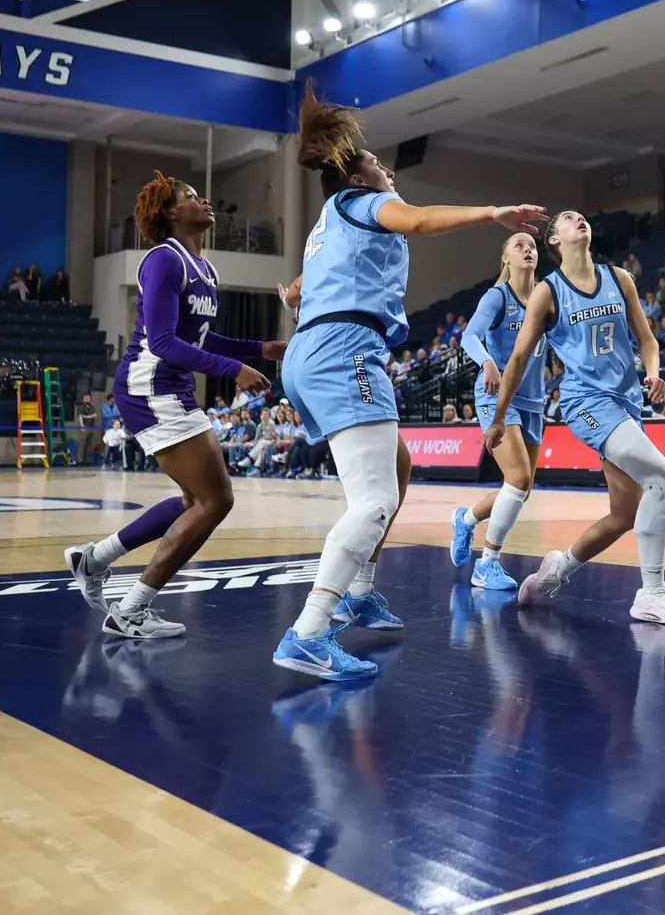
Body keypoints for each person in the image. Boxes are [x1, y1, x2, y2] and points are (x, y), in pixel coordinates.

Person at [272, 83, 546, 681]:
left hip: (314, 349)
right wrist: (490, 214)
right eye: (376, 163)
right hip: (345, 349)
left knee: (395, 467)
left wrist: (294, 292)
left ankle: (361, 589)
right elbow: (419, 220)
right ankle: (310, 632)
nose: (385, 168)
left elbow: (304, 282)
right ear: (359, 177)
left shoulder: (329, 220)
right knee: (372, 503)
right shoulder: (364, 203)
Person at [64, 173, 284, 640]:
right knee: (216, 499)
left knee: (196, 501)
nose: (203, 199)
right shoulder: (163, 260)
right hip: (150, 384)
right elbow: (162, 342)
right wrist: (232, 369)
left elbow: (202, 337)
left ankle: (94, 559)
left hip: (171, 385)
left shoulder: (206, 269)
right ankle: (131, 608)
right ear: (169, 212)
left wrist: (260, 349)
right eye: (189, 196)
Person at [489, 210, 665, 625]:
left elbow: (648, 341)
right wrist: (498, 417)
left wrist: (653, 372)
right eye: (568, 218)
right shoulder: (549, 292)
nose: (578, 220)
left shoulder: (620, 278)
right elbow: (517, 358)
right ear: (554, 239)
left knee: (623, 514)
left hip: (627, 404)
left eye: (581, 216)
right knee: (663, 478)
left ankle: (554, 573)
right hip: (586, 403)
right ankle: (652, 594)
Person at [449, 233, 548, 591]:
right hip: (497, 396)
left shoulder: (545, 297)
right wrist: (488, 362)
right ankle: (487, 564)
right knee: (519, 479)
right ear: (505, 257)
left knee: (519, 487)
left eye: (532, 246)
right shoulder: (498, 297)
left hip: (535, 401)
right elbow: (470, 336)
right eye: (518, 245)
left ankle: (466, 519)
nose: (527, 249)